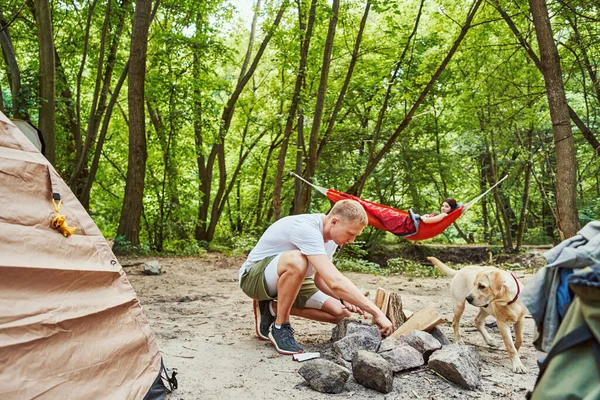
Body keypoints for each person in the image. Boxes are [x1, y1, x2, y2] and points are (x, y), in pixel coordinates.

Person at [238, 199, 394, 355]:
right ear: (334, 221)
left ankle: (271, 308)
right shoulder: (307, 228)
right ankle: (281, 326)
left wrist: (344, 298)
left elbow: (321, 280)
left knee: (341, 314)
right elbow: (335, 281)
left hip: (293, 281)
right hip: (254, 279)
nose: (352, 240)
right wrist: (377, 313)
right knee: (297, 260)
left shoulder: (332, 238)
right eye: (350, 234)